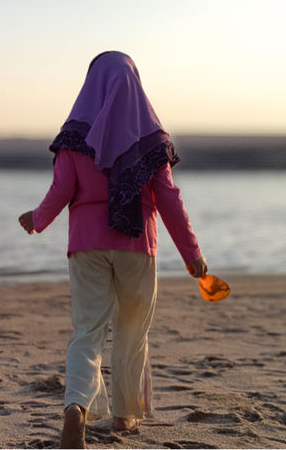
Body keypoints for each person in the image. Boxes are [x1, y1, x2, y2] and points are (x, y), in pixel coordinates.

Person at [18, 51, 207, 448]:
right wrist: (193, 255)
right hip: (138, 245)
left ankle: (76, 408)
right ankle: (125, 416)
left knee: (87, 331)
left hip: (86, 244)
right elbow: (169, 199)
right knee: (131, 331)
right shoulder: (153, 138)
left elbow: (62, 190)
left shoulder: (73, 135)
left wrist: (37, 219)